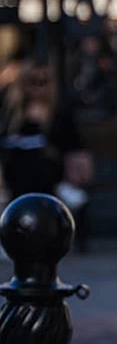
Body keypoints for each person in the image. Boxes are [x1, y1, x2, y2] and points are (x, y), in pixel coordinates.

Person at [0, 60, 92, 250]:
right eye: (32, 82)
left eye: (44, 82)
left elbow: (74, 146)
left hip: (51, 175)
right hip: (18, 174)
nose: (38, 88)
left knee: (39, 167)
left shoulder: (60, 112)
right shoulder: (11, 112)